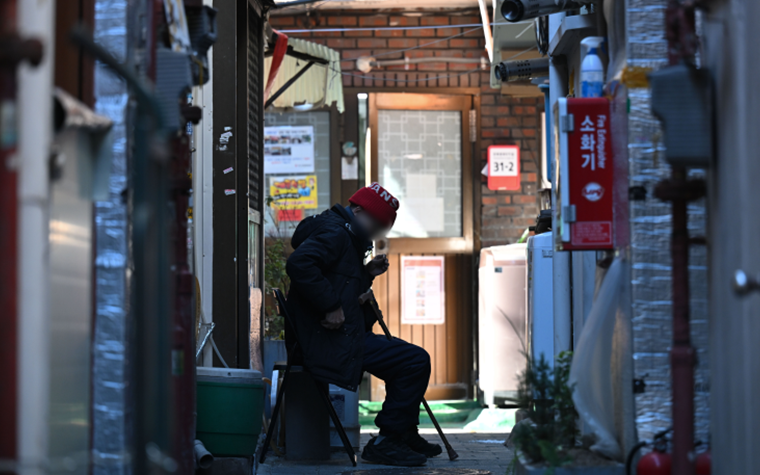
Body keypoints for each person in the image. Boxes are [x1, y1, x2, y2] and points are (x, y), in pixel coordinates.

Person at [285, 183, 441, 467]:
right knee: (414, 360)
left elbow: (335, 279)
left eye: (384, 227)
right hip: (326, 341)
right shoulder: (336, 233)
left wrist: (365, 275)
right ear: (358, 210)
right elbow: (299, 265)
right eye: (377, 224)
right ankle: (389, 439)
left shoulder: (344, 232)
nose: (377, 232)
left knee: (408, 358)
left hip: (333, 336)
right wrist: (331, 306)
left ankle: (402, 433)